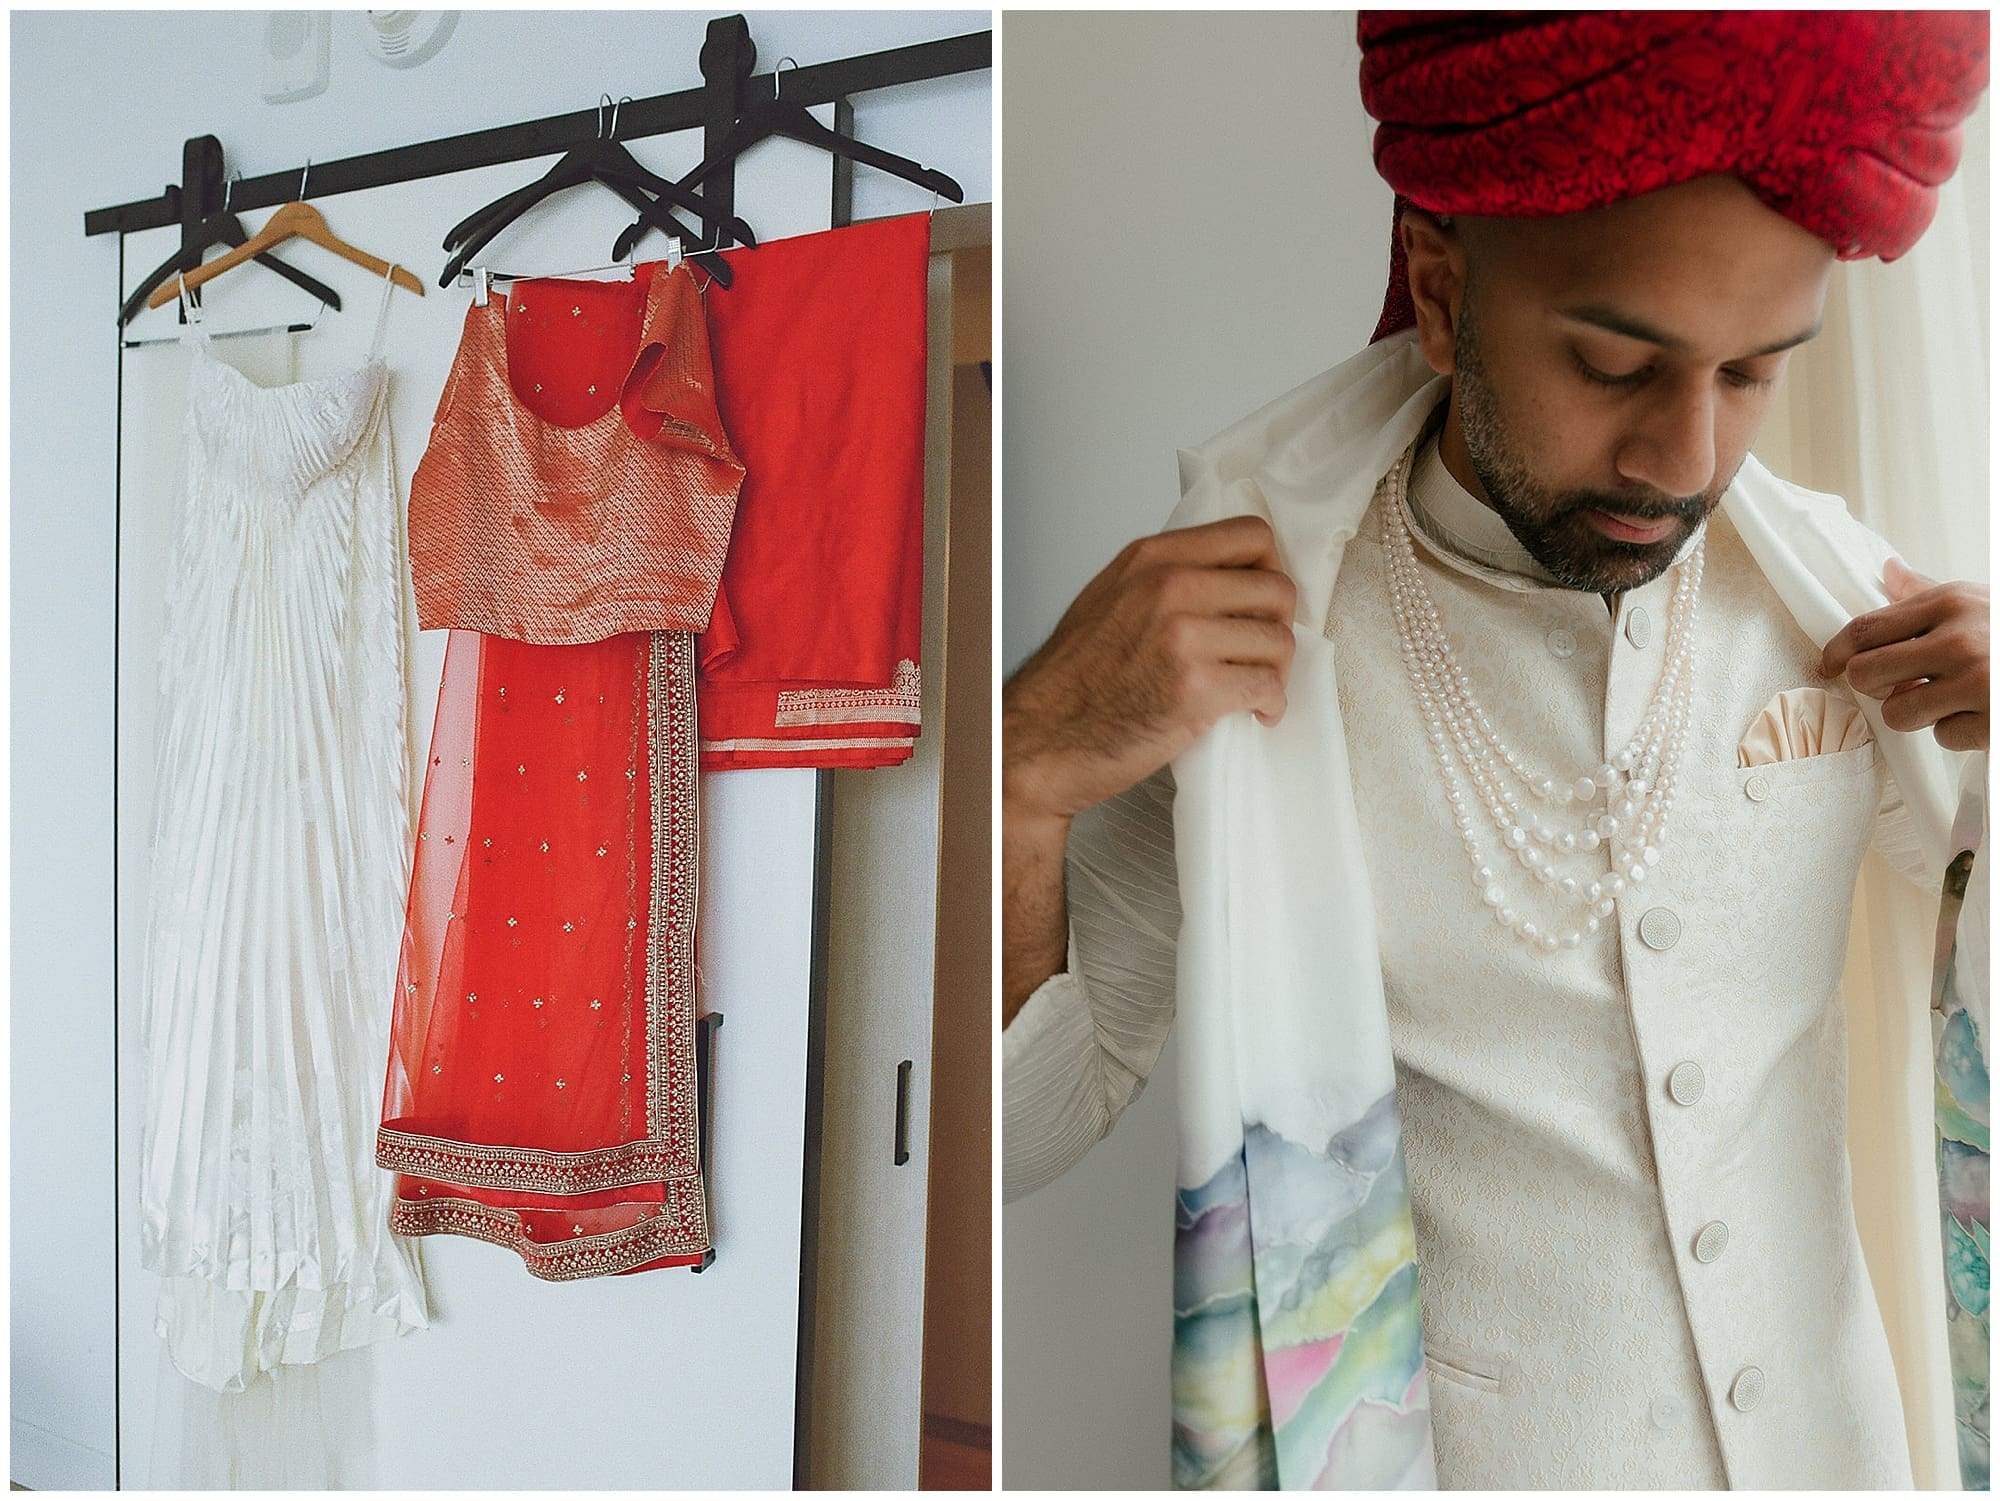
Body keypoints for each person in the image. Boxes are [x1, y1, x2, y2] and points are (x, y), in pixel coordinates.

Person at [1002, 11, 1989, 1491]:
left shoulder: (1830, 598)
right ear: (1444, 293)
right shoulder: (1247, 646)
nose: (1686, 461)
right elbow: (1021, 1133)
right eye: (1615, 364)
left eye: (1751, 375)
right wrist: (1024, 771)